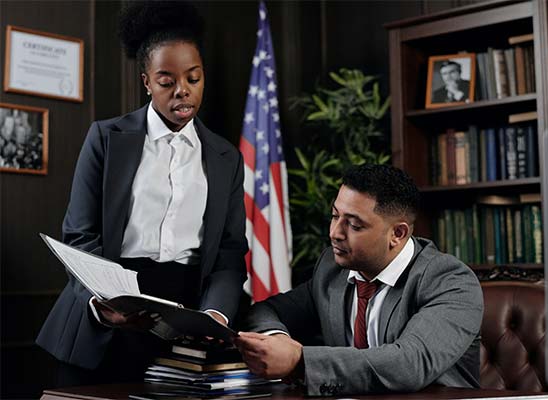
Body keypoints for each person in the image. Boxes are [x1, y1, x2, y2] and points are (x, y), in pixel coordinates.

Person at [36, 1, 248, 386]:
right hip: (105, 311)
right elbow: (80, 235)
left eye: (194, 78)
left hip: (185, 322)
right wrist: (105, 301)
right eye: (167, 81)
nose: (182, 91)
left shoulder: (225, 157)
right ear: (147, 82)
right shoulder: (105, 138)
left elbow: (230, 253)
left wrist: (215, 315)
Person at [235, 164, 483, 396]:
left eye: (353, 225)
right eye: (335, 216)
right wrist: (277, 337)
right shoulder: (332, 269)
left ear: (397, 233)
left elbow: (410, 363)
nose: (335, 233)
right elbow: (267, 310)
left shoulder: (451, 282)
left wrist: (299, 361)